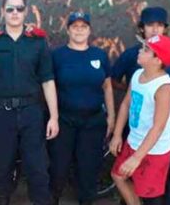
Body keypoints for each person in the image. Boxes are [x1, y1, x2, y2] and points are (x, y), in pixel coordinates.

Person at [0, 0, 59, 205]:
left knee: (38, 169)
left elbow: (47, 81)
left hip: (32, 113)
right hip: (0, 114)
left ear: (26, 11)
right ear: (3, 11)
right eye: (10, 9)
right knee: (1, 167)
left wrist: (54, 117)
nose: (14, 13)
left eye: (19, 9)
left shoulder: (38, 43)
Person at [111, 6, 170, 203]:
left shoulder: (164, 88)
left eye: (146, 50)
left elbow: (158, 126)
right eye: (150, 25)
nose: (155, 29)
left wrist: (137, 157)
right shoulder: (137, 73)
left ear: (157, 60)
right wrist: (118, 134)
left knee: (152, 193)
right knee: (119, 175)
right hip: (135, 139)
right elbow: (127, 103)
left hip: (154, 149)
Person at [48, 12, 115, 205]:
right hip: (64, 120)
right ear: (68, 30)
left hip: (93, 122)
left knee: (88, 168)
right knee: (58, 167)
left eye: (83, 26)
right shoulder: (57, 55)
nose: (79, 30)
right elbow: (48, 85)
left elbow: (107, 86)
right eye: (75, 26)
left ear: (89, 30)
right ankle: (53, 199)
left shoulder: (99, 55)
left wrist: (111, 116)